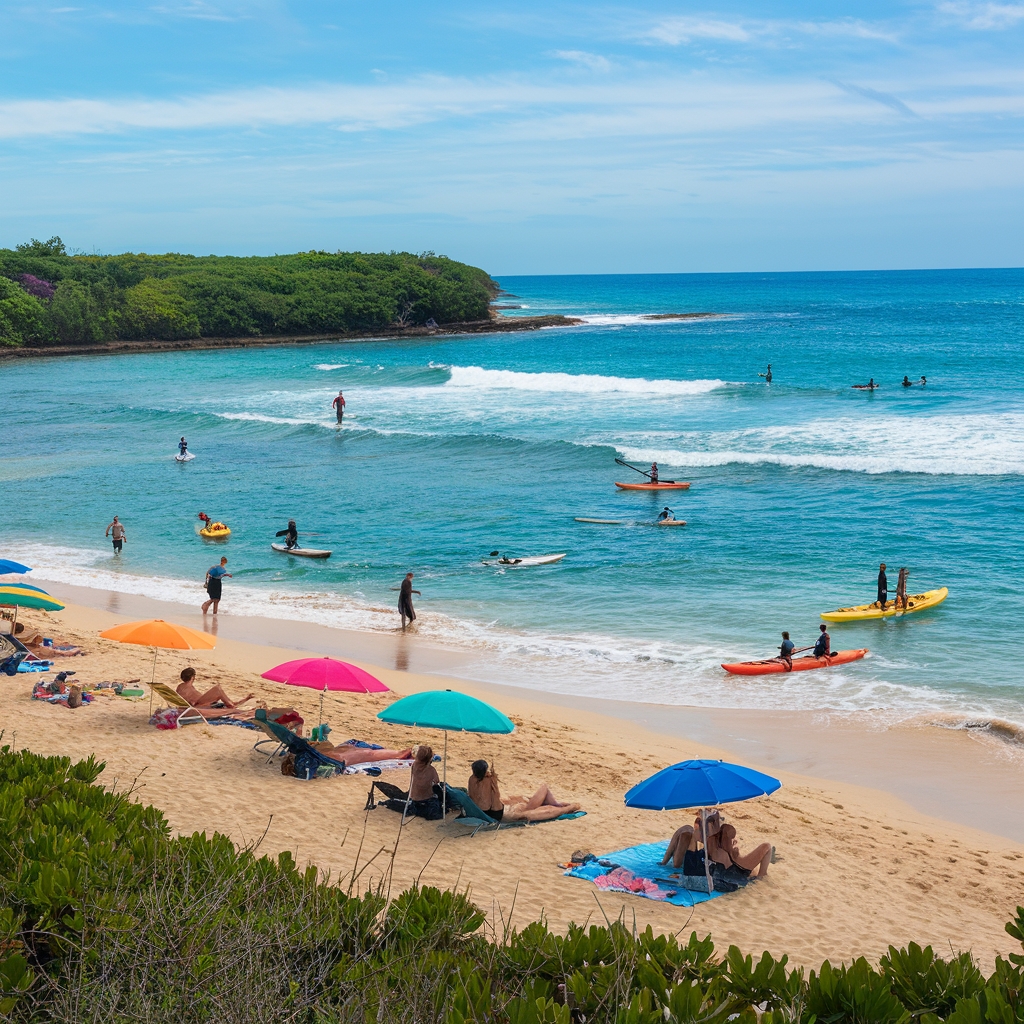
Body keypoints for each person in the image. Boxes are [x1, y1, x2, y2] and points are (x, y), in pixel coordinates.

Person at [467, 760, 580, 823]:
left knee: (523, 803)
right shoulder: (490, 779)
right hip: (497, 813)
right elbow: (496, 794)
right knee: (530, 806)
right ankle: (558, 805)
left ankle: (554, 803)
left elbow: (472, 796)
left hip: (481, 812)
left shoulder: (472, 779)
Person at [703, 812, 772, 878]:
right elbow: (729, 858)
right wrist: (734, 851)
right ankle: (762, 875)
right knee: (766, 846)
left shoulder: (710, 842)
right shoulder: (720, 844)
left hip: (733, 867)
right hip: (740, 868)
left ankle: (759, 874)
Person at [176, 667, 253, 709]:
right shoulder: (190, 689)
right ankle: (232, 705)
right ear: (192, 677)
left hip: (195, 705)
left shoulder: (180, 687)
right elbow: (193, 702)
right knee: (217, 689)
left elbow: (185, 700)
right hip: (199, 706)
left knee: (223, 699)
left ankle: (240, 701)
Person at [408, 744, 443, 819]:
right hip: (427, 801)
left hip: (414, 800)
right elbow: (436, 782)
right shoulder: (431, 770)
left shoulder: (414, 766)